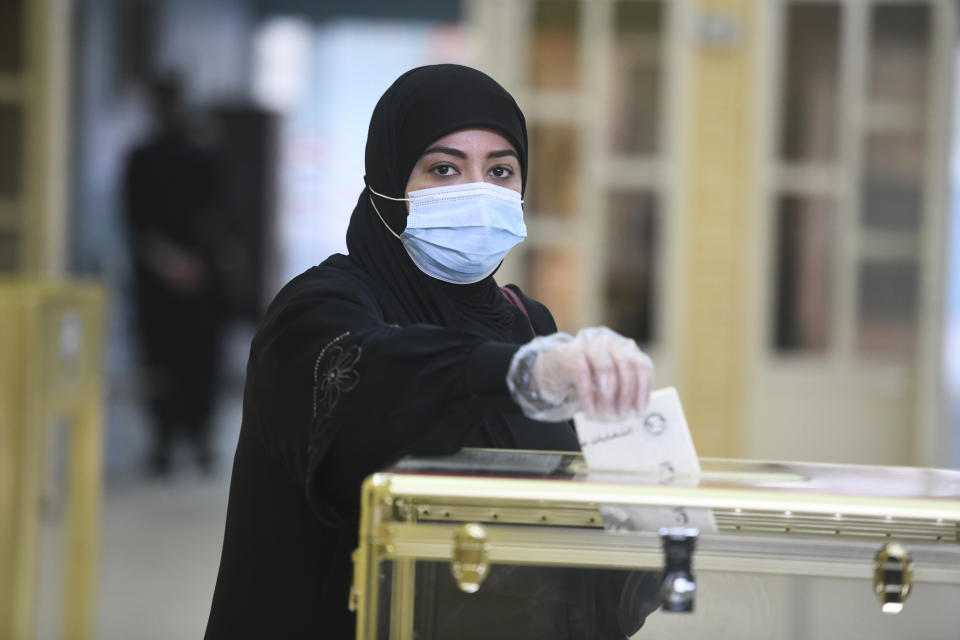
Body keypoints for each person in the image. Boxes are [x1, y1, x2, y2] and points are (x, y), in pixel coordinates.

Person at [205, 64, 654, 639]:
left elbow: (555, 538)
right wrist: (514, 375)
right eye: (444, 169)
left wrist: (642, 535)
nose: (477, 192)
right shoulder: (318, 310)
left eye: (500, 170)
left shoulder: (528, 324)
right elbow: (371, 386)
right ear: (387, 180)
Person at [123, 74, 227, 474]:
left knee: (181, 360)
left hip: (180, 276)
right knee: (175, 361)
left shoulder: (169, 155)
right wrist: (182, 263)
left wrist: (175, 263)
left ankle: (179, 442)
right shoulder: (158, 155)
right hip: (185, 275)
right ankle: (174, 442)